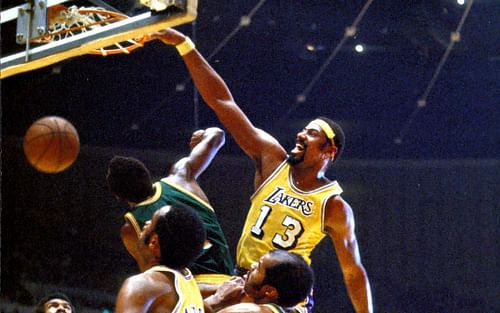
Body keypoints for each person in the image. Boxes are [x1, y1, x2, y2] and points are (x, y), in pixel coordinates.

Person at [151, 28, 373, 313]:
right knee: (163, 289)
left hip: (283, 299)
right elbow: (223, 102)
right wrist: (186, 45)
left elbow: (353, 272)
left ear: (328, 151)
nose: (301, 135)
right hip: (243, 279)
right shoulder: (271, 160)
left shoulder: (333, 205)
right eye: (303, 130)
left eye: (312, 133)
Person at [106, 127, 233, 289]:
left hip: (193, 292)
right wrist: (202, 135)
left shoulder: (131, 227)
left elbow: (155, 275)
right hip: (231, 283)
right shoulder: (181, 176)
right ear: (146, 174)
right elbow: (218, 135)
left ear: (119, 197)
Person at [115, 204, 206, 313]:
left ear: (154, 242)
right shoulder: (193, 294)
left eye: (152, 222)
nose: (146, 223)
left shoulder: (142, 285)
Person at [205, 250, 314, 313]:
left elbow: (189, 308)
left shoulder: (248, 311)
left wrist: (216, 299)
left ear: (269, 291)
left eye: (258, 267)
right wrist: (218, 288)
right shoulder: (294, 309)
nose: (252, 266)